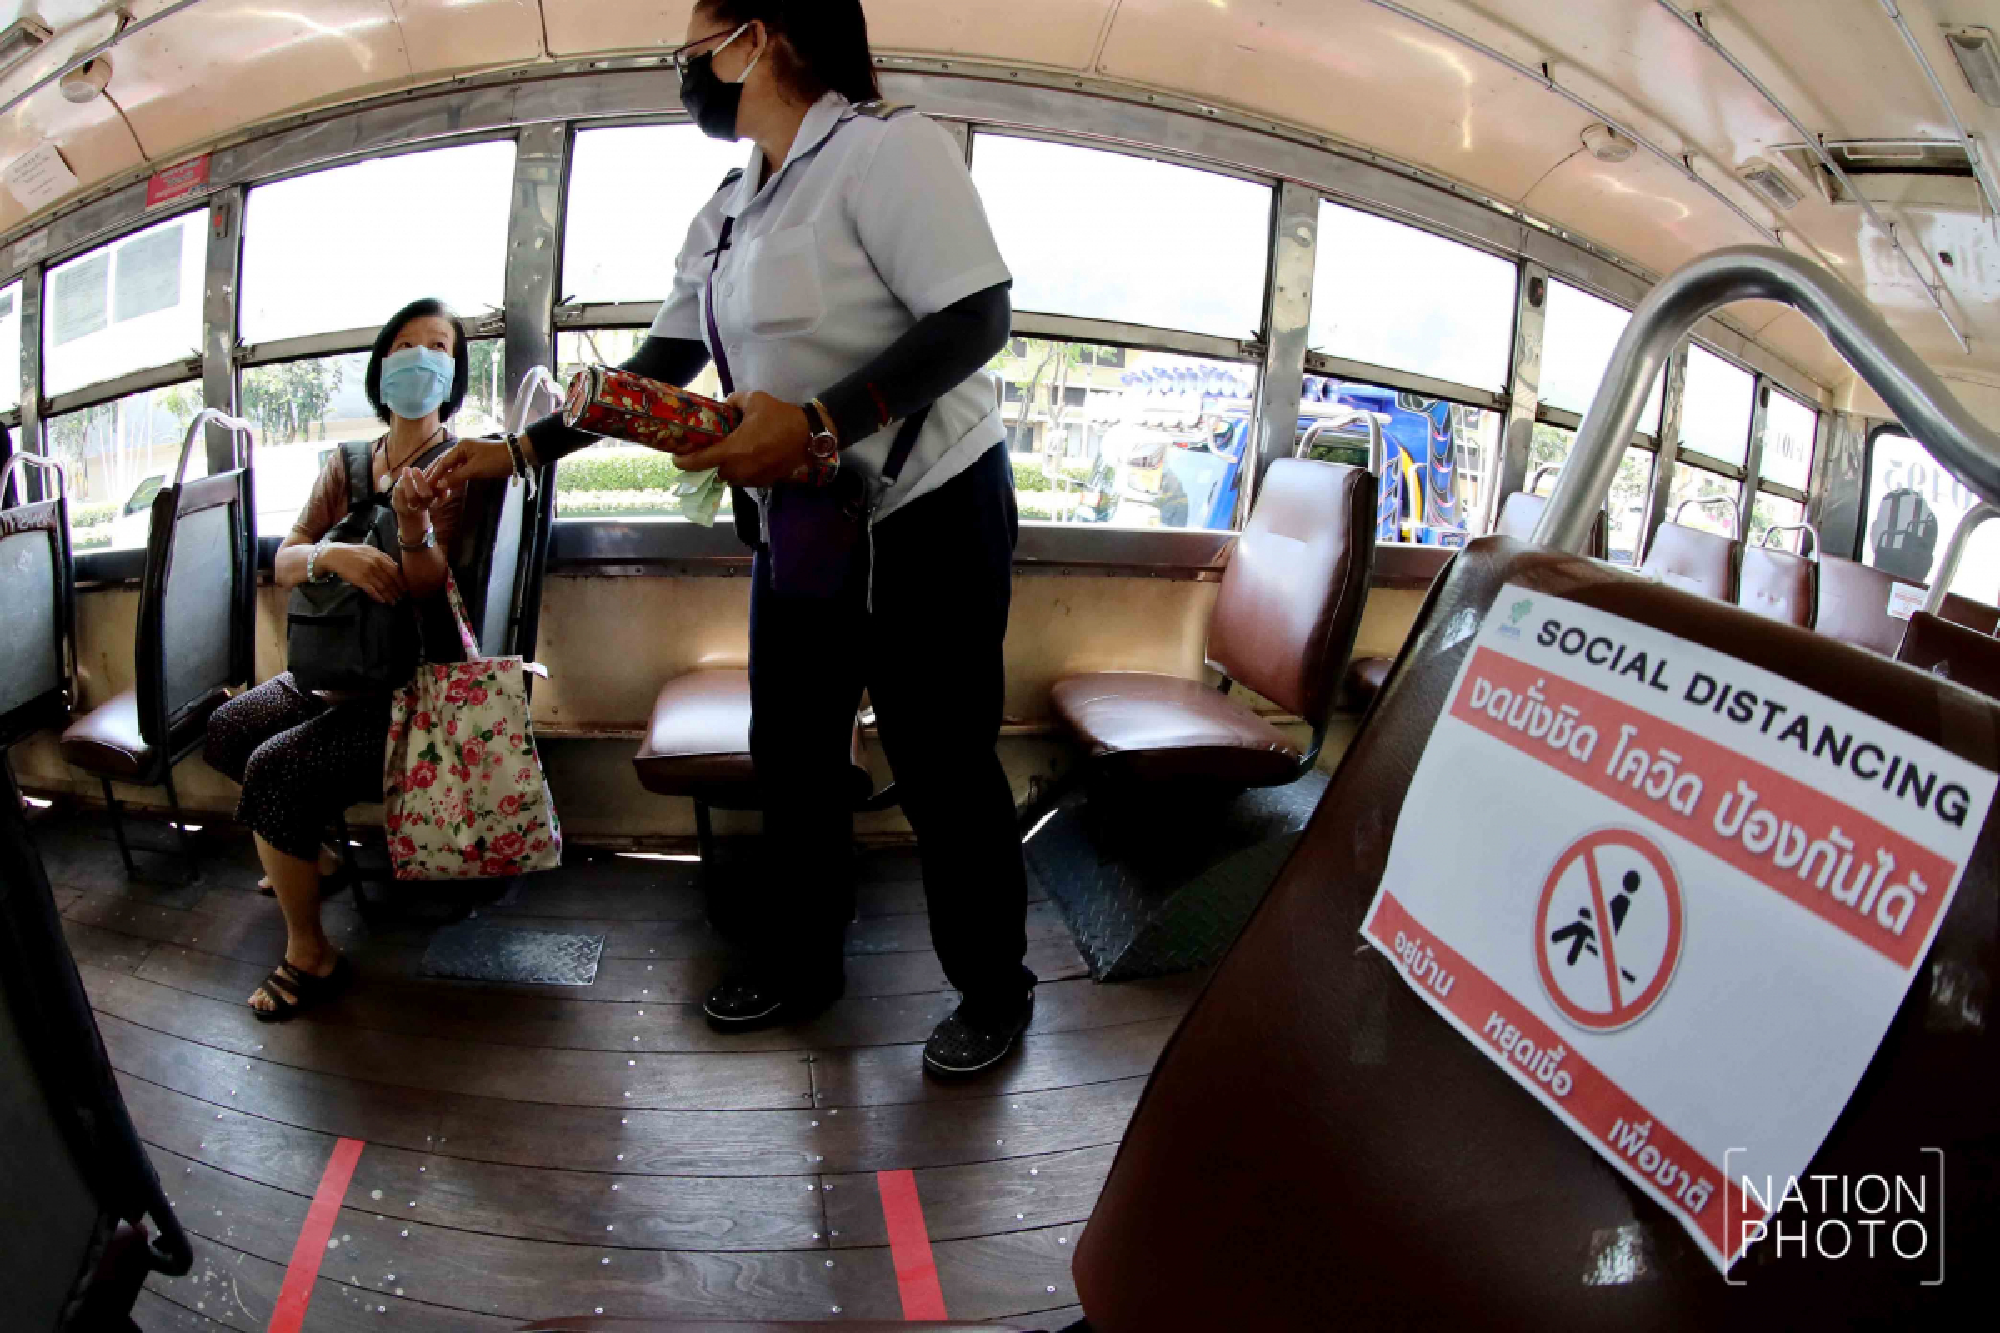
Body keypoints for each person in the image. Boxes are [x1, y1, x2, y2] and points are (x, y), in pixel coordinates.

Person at [427, 0, 1033, 1077]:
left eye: (699, 40)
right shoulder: (727, 209)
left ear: (763, 37)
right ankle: (805, 964)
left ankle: (992, 988)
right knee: (792, 751)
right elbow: (655, 368)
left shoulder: (887, 152)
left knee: (942, 760)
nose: (686, 65)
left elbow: (974, 317)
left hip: (927, 506)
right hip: (806, 519)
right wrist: (516, 451)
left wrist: (815, 424)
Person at [204, 298, 472, 1021]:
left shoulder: (463, 466)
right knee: (228, 729)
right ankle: (314, 851)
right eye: (405, 345)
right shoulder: (347, 466)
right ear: (382, 367)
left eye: (438, 347)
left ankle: (310, 953)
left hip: (409, 690)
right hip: (327, 671)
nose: (420, 358)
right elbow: (286, 560)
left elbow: (431, 588)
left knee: (275, 769)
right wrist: (336, 554)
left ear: (455, 371)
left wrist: (411, 528)